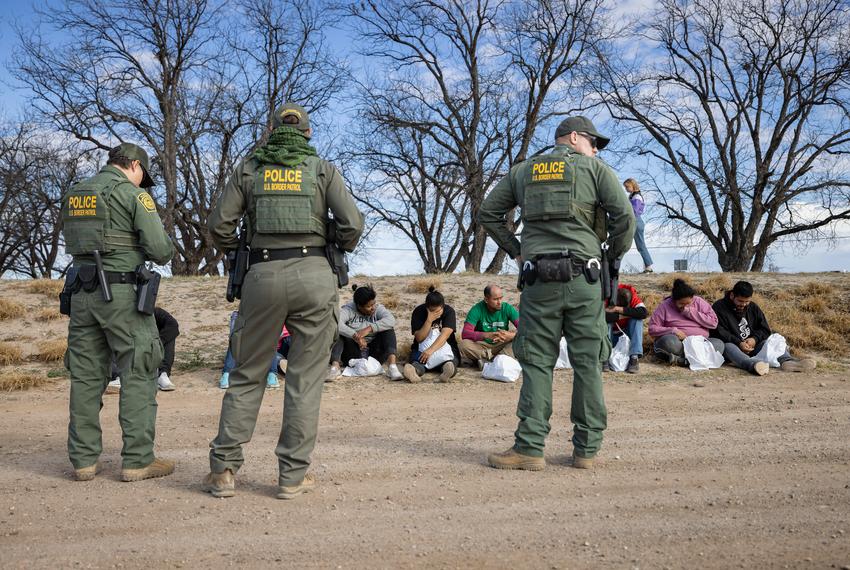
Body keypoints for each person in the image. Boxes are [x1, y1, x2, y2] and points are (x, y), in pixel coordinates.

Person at [203, 103, 364, 500]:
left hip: (261, 273)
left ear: (270, 132)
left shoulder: (249, 168)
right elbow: (353, 224)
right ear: (307, 134)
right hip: (314, 275)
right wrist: (334, 244)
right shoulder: (322, 169)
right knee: (305, 380)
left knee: (247, 373)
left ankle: (224, 469)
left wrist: (241, 250)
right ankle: (292, 476)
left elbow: (219, 225)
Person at [479, 116, 635, 471]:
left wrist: (516, 250)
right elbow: (624, 217)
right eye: (593, 142)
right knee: (588, 364)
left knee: (536, 363)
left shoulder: (523, 171)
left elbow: (488, 212)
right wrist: (610, 257)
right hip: (585, 280)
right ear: (575, 137)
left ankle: (530, 448)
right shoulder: (597, 170)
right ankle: (586, 451)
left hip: (538, 282)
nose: (595, 150)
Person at [60, 142, 175, 482]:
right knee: (139, 369)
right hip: (121, 294)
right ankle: (138, 460)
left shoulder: (75, 194)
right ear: (135, 166)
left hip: (80, 292)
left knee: (84, 376)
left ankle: (83, 461)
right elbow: (160, 249)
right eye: (144, 176)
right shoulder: (133, 195)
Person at [711, 281, 816, 375]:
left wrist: (754, 339)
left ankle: (787, 362)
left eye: (746, 301)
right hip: (733, 347)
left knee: (771, 340)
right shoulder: (719, 307)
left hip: (752, 346)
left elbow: (765, 329)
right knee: (728, 346)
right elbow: (719, 332)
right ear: (732, 295)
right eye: (740, 301)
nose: (743, 304)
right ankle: (753, 365)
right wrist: (739, 342)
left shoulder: (753, 307)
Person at [326, 284, 403, 381]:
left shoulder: (377, 308)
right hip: (352, 355)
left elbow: (391, 320)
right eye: (368, 306)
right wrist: (355, 336)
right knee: (338, 333)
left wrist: (369, 328)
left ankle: (392, 367)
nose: (373, 308)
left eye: (373, 304)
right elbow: (336, 324)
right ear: (359, 306)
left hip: (374, 354)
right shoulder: (348, 309)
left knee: (388, 330)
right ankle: (335, 368)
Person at [648, 278, 724, 366]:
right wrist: (673, 331)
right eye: (681, 304)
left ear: (692, 298)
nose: (685, 307)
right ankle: (696, 359)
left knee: (719, 345)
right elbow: (652, 329)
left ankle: (682, 361)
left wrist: (691, 313)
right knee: (668, 342)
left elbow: (713, 323)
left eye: (688, 303)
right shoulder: (665, 306)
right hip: (679, 344)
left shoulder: (699, 302)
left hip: (699, 344)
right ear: (674, 300)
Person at [107, 307, 180, 393]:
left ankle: (162, 374)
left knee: (170, 333)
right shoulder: (120, 316)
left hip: (152, 354)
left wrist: (157, 343)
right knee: (109, 336)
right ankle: (120, 377)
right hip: (129, 356)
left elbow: (174, 326)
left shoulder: (156, 313)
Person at [219, 312, 291, 389]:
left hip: (277, 347)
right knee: (237, 341)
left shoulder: (279, 313)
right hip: (261, 350)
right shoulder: (243, 316)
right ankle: (275, 369)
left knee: (287, 339)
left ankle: (281, 366)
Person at [403, 286, 460, 383]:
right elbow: (419, 338)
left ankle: (446, 372)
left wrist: (430, 350)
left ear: (442, 306)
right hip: (422, 349)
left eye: (437, 310)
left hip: (445, 347)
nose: (435, 313)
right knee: (419, 362)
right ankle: (413, 372)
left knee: (451, 362)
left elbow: (445, 335)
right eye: (432, 310)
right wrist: (429, 320)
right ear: (427, 307)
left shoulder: (449, 311)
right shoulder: (419, 311)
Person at [459, 284, 519, 369]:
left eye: (501, 298)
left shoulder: (507, 308)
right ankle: (495, 361)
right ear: (486, 299)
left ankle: (489, 361)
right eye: (495, 299)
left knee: (519, 340)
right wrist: (486, 335)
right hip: (483, 345)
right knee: (463, 345)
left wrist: (510, 335)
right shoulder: (477, 309)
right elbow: (465, 333)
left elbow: (525, 329)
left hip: (502, 343)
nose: (499, 302)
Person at [604, 283, 648, 373]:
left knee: (637, 320)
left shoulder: (631, 293)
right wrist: (628, 313)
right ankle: (605, 358)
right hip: (610, 336)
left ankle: (634, 357)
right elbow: (599, 317)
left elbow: (643, 313)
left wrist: (617, 310)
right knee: (606, 322)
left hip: (626, 336)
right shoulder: (605, 294)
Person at [624, 178, 653, 273]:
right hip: (632, 220)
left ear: (633, 186)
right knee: (624, 243)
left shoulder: (637, 197)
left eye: (627, 187)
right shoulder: (631, 196)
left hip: (636, 220)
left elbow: (634, 211)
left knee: (640, 245)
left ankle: (648, 267)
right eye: (625, 187)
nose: (626, 189)